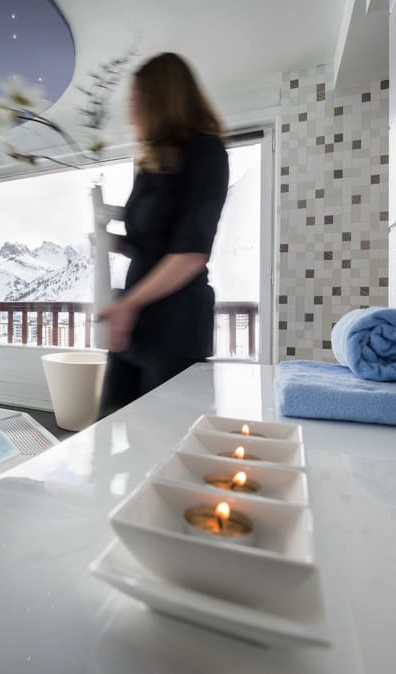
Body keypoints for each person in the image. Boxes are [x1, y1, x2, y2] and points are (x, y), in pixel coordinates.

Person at [97, 52, 229, 418]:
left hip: (176, 325)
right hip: (135, 322)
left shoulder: (206, 153)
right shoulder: (150, 165)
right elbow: (150, 244)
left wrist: (127, 304)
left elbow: (191, 253)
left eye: (136, 102)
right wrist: (113, 243)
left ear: (161, 101)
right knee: (107, 425)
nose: (131, 113)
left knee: (162, 439)